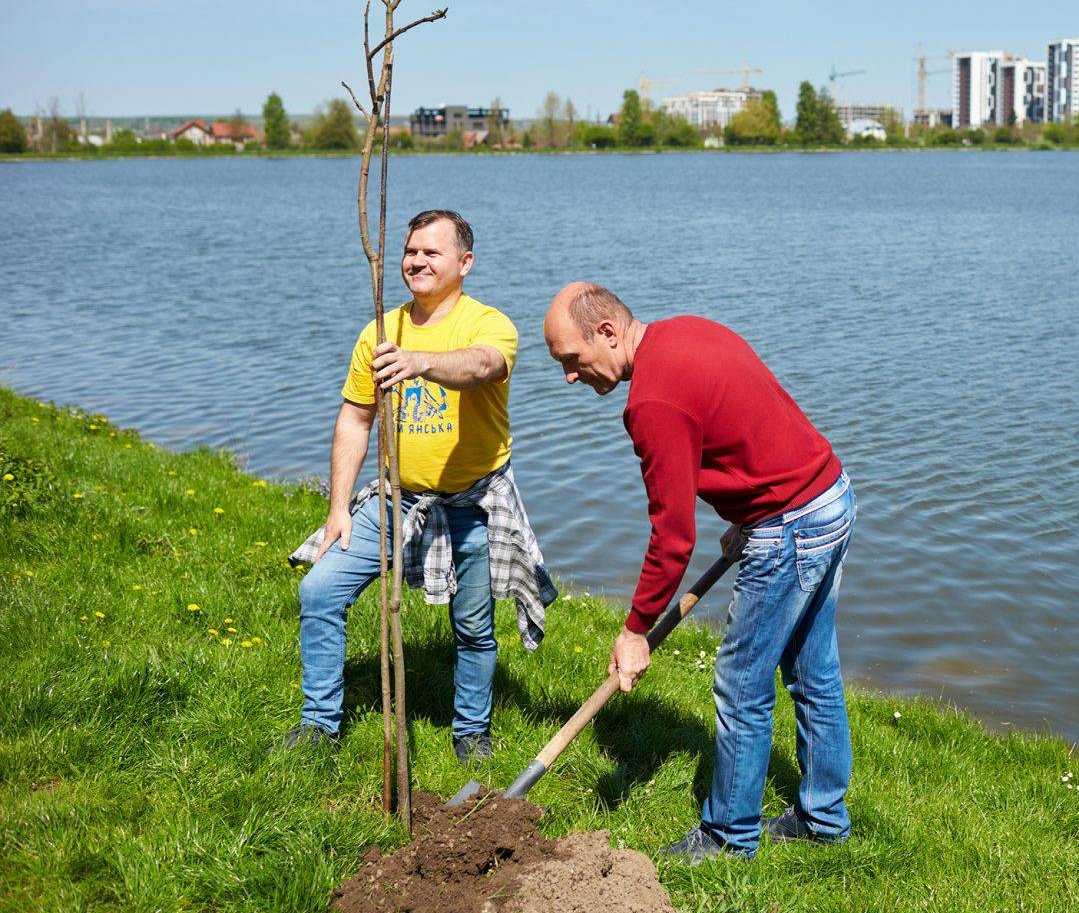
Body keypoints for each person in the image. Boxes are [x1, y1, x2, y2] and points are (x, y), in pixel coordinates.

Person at [542, 281, 856, 862]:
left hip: (792, 524)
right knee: (814, 669)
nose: (569, 375)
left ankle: (729, 837)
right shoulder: (685, 330)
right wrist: (750, 511)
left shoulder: (651, 403)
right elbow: (754, 422)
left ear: (607, 332)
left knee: (743, 684)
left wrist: (635, 629)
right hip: (828, 494)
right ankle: (824, 819)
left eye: (571, 358)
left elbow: (673, 537)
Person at [282, 209, 554, 764]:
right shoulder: (380, 331)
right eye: (411, 251)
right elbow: (355, 420)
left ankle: (471, 733)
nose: (417, 261)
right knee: (319, 591)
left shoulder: (490, 324)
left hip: (475, 502)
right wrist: (338, 508)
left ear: (465, 263)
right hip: (394, 499)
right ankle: (319, 725)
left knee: (474, 626)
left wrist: (418, 362)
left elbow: (482, 366)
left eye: (432, 251)